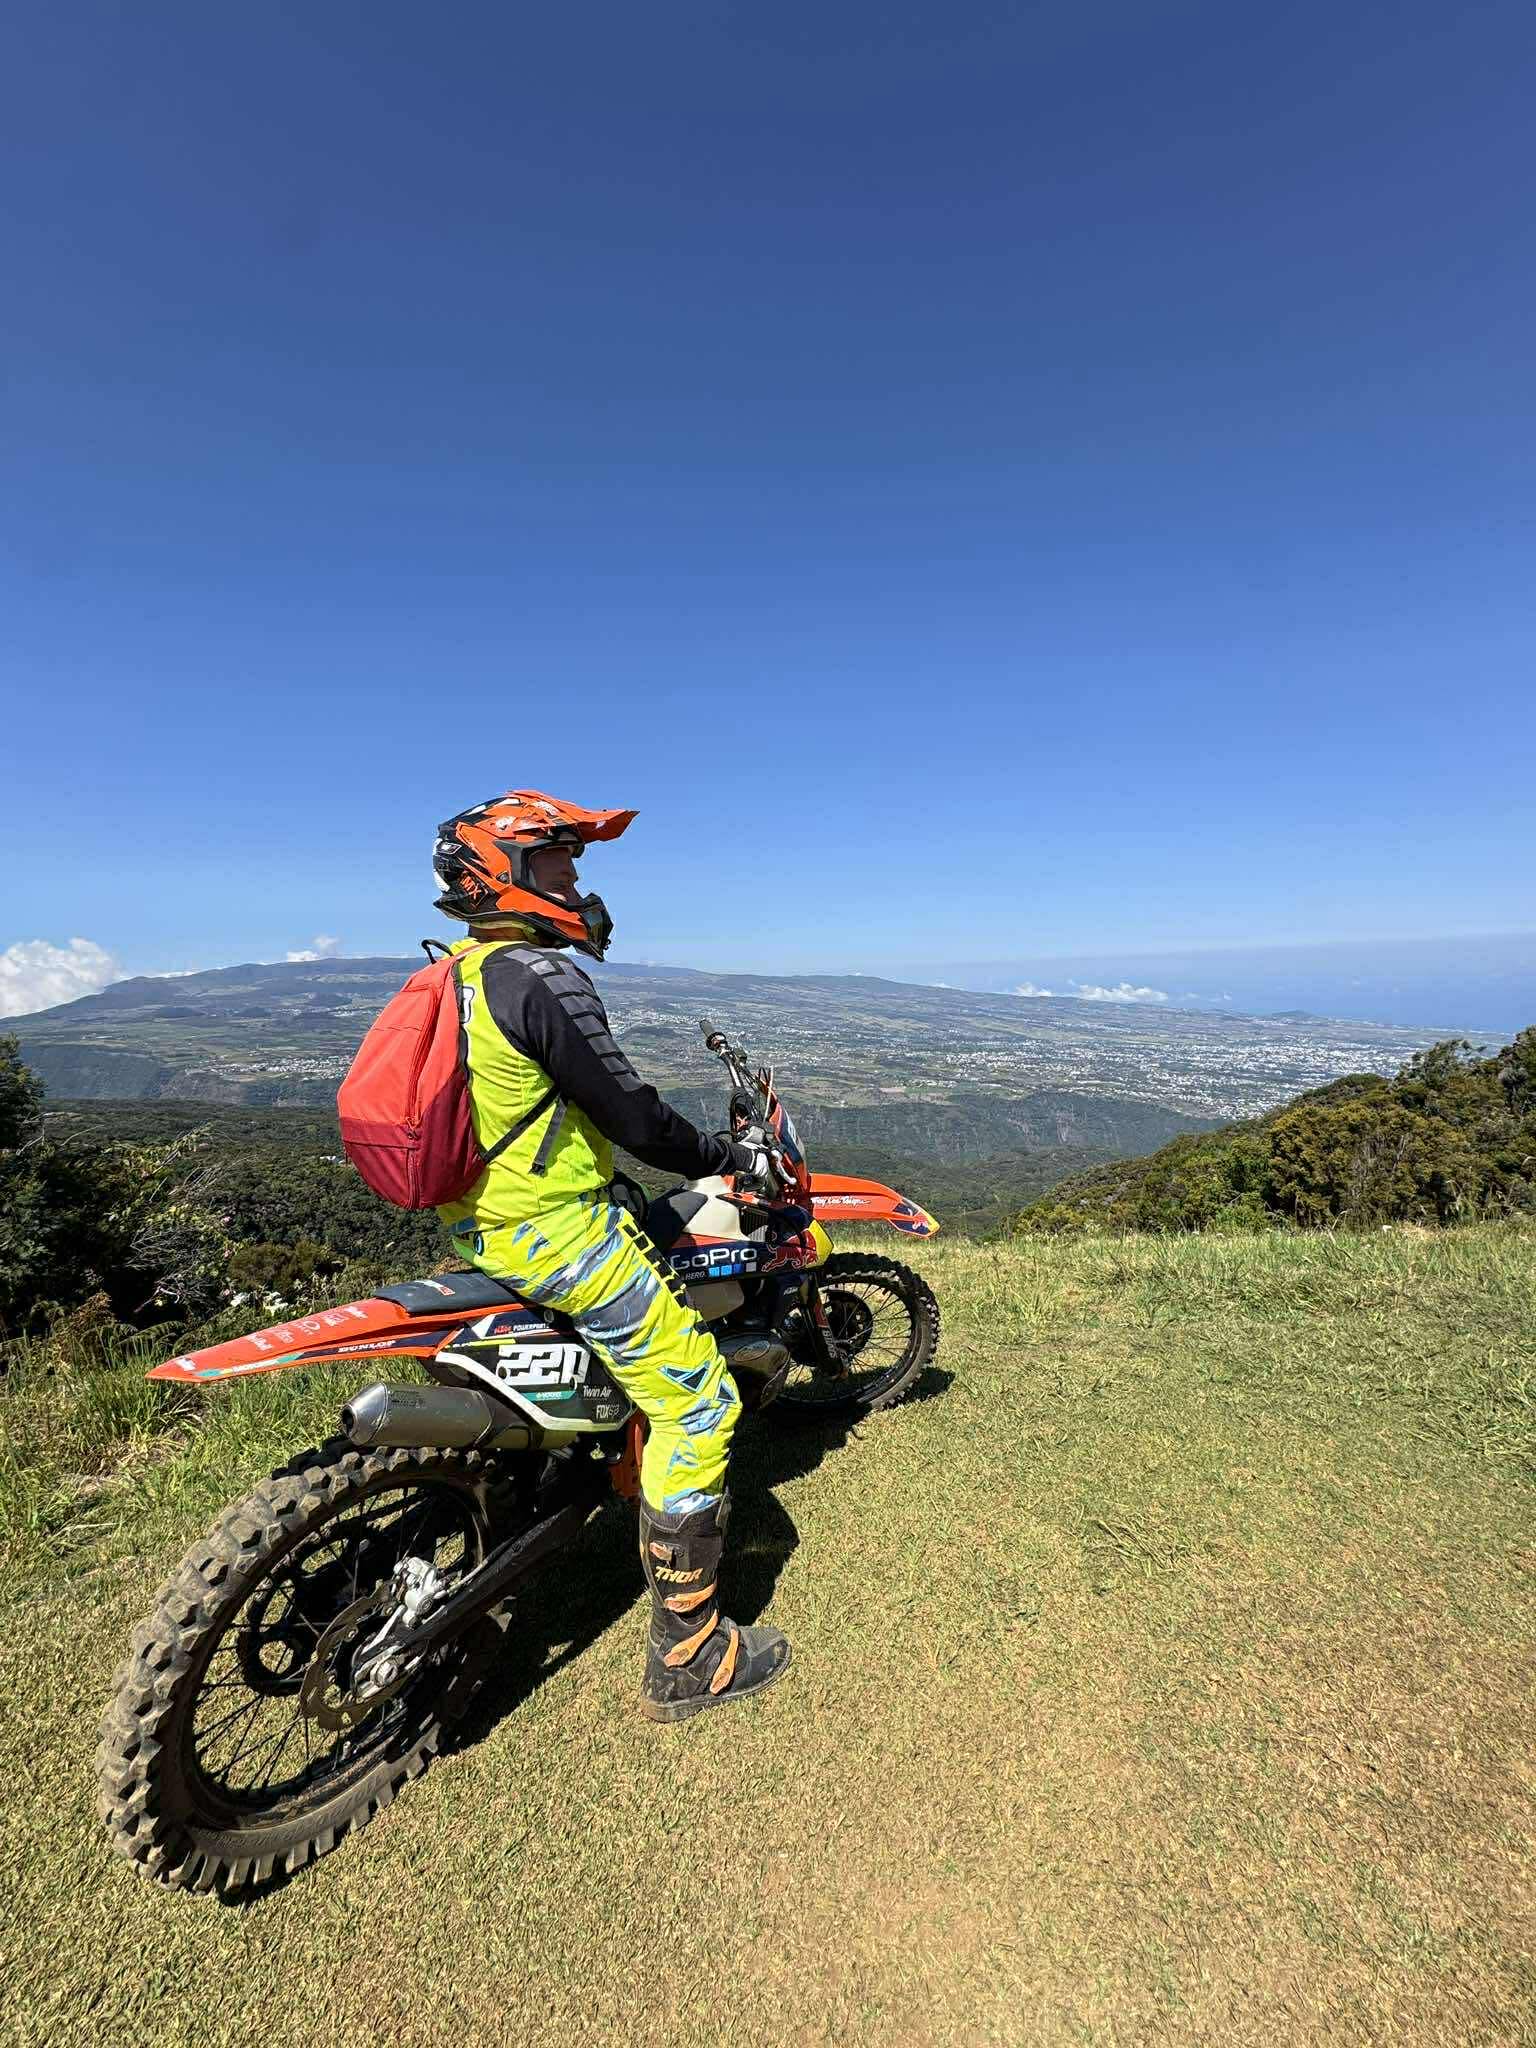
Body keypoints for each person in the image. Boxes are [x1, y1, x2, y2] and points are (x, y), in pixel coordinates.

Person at [430, 789, 790, 1721]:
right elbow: (632, 1117)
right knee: (702, 1407)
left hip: (486, 1225)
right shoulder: (539, 979)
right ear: (508, 872)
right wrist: (725, 1156)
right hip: (564, 1236)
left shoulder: (458, 975)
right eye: (562, 862)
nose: (577, 879)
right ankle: (689, 1655)